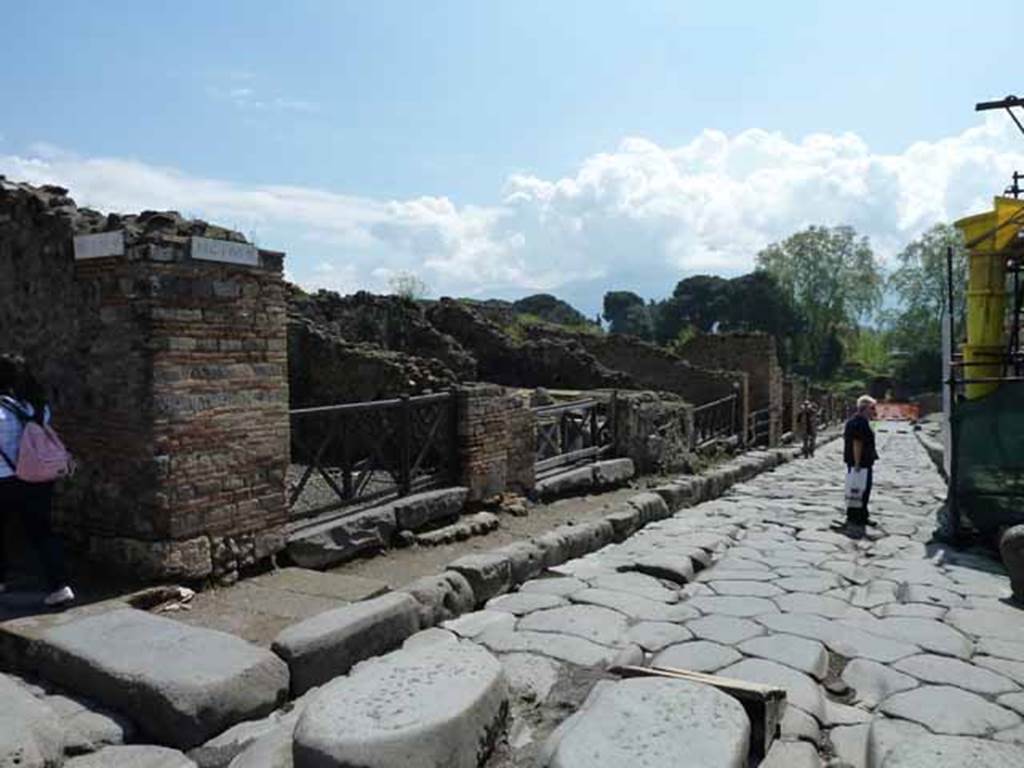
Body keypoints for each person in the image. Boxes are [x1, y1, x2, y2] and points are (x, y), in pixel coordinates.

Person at [0, 354, 75, 607]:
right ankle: (59, 586)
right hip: (38, 478)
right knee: (42, 533)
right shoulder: (38, 407)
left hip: (5, 479)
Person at [842, 394, 879, 539]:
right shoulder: (859, 423)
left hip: (859, 462)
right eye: (872, 408)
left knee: (858, 489)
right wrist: (857, 463)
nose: (874, 411)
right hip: (860, 463)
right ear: (864, 408)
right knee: (860, 490)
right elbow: (857, 443)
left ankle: (860, 515)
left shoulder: (858, 421)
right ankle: (857, 517)